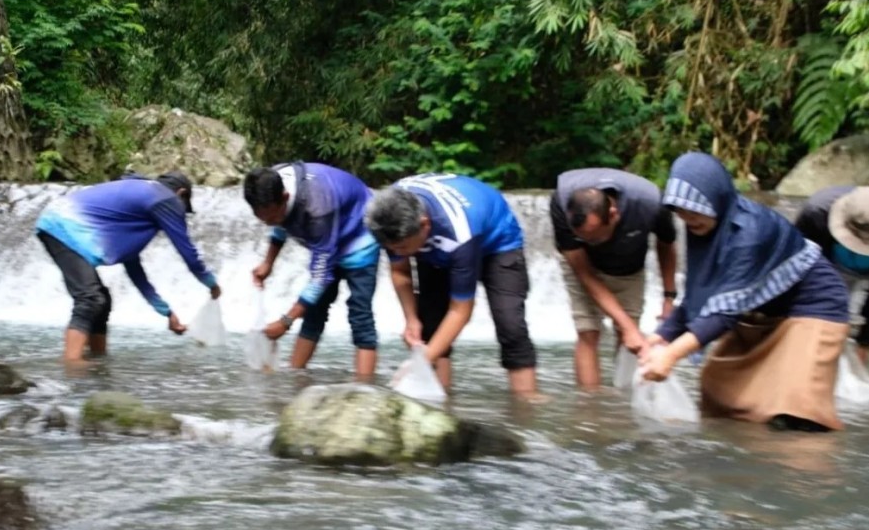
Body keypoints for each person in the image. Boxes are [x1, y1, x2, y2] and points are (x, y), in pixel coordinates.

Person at [639, 152, 849, 431]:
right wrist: (659, 338)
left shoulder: (749, 233)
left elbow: (724, 313)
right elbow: (697, 298)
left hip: (814, 306)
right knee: (718, 392)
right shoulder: (703, 231)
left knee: (799, 411)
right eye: (682, 212)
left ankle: (803, 471)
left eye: (696, 210)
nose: (689, 219)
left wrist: (670, 355)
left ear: (717, 199)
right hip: (762, 311)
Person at [365, 172, 539, 398]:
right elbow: (400, 271)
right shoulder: (389, 218)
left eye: (401, 247)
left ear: (424, 225)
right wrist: (411, 318)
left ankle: (526, 403)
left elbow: (461, 310)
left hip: (497, 244)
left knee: (510, 323)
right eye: (392, 248)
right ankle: (439, 400)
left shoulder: (459, 231)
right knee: (430, 326)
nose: (397, 253)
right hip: (433, 246)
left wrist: (420, 363)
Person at [35, 170, 221, 362]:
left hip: (55, 223)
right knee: (90, 299)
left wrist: (167, 313)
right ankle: (72, 364)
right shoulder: (165, 198)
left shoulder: (135, 211)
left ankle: (97, 361)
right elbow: (188, 253)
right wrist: (211, 283)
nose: (179, 213)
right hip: (63, 228)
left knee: (102, 300)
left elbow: (135, 272)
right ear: (181, 193)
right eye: (183, 207)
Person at [243, 162, 379, 376]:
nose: (269, 223)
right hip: (328, 234)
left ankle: (366, 392)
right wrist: (268, 262)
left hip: (360, 235)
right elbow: (281, 223)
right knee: (314, 311)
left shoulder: (317, 206)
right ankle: (296, 378)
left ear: (285, 198)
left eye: (272, 217)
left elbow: (320, 277)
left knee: (360, 316)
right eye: (263, 219)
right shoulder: (269, 182)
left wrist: (285, 322)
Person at [550, 168, 678, 388]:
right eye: (583, 238)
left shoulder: (651, 204)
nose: (590, 242)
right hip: (584, 267)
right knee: (588, 332)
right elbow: (585, 275)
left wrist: (668, 297)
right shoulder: (561, 203)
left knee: (627, 339)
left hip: (629, 265)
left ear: (613, 214)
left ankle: (623, 404)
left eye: (595, 237)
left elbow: (666, 245)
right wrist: (629, 327)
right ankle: (590, 409)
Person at [794, 185, 869, 366]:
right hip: (830, 264)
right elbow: (798, 271)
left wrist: (868, 341)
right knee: (822, 320)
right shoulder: (816, 214)